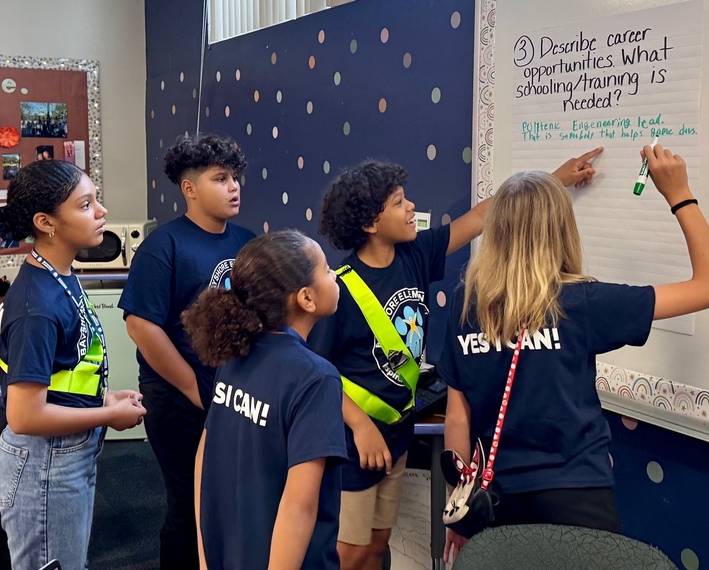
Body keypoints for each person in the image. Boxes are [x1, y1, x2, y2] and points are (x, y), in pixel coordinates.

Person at [308, 149, 602, 569]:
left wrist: (552, 180)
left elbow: (484, 216)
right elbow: (317, 372)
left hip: (396, 435)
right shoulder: (340, 289)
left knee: (377, 544)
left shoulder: (416, 253)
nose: (412, 208)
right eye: (399, 203)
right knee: (348, 552)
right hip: (355, 443)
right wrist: (358, 425)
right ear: (371, 223)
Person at [441, 143, 709, 563]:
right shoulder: (581, 302)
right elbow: (705, 286)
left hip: (493, 497)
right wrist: (680, 194)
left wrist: (460, 511)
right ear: (561, 229)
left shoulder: (466, 303)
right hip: (577, 496)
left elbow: (457, 417)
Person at [0, 160, 147, 570]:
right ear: (46, 222)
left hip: (63, 456)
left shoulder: (60, 274)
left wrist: (102, 396)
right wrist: (108, 414)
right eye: (86, 205)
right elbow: (24, 415)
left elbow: (60, 371)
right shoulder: (37, 305)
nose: (102, 212)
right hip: (43, 466)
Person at [119, 132, 254, 568]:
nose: (233, 186)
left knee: (231, 504)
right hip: (178, 399)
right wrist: (196, 389)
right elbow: (141, 326)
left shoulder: (248, 241)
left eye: (235, 177)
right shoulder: (165, 246)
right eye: (220, 178)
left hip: (236, 394)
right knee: (189, 508)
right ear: (190, 188)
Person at [183, 230, 347, 569]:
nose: (335, 276)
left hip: (228, 554)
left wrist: (205, 553)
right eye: (327, 269)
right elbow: (298, 506)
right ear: (306, 298)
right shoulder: (316, 378)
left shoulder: (233, 354)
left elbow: (204, 453)